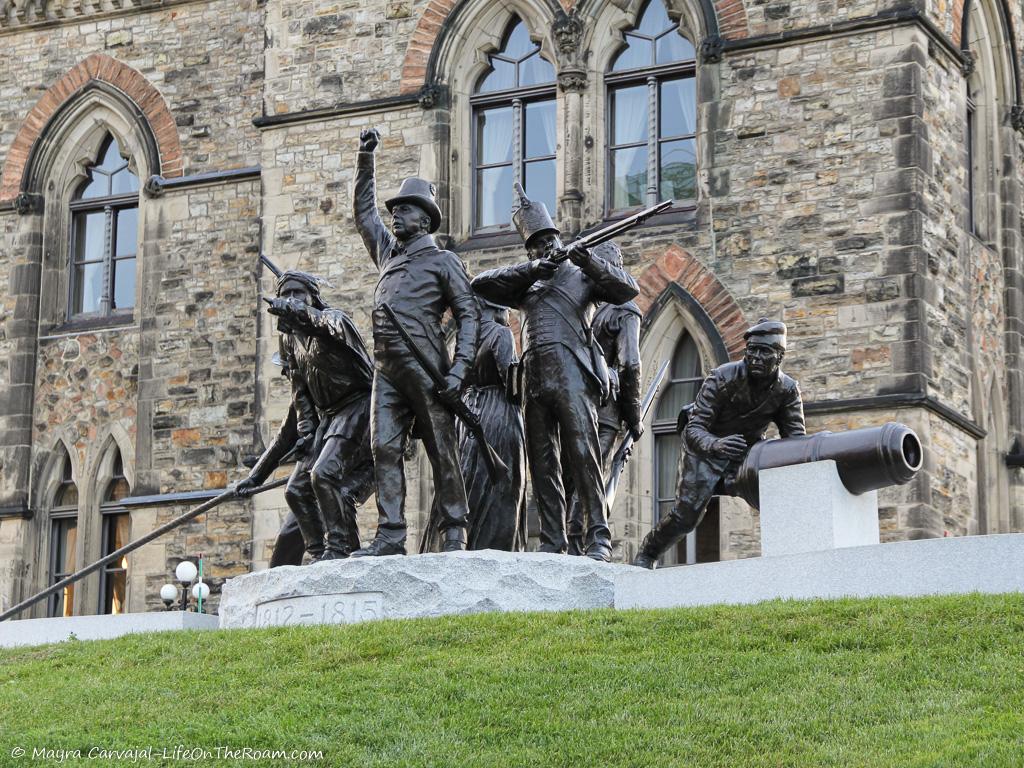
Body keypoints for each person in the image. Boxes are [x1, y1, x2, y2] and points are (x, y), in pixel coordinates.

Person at [471, 184, 638, 561]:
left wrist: (589, 261)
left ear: (557, 238)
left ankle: (597, 537)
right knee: (542, 464)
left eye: (546, 241)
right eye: (534, 246)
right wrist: (530, 269)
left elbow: (628, 290)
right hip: (534, 380)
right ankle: (551, 540)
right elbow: (479, 284)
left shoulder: (582, 274)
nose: (541, 249)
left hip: (573, 376)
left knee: (584, 454)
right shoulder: (527, 283)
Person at [352, 127, 480, 556]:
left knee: (443, 450)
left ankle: (455, 529)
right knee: (383, 448)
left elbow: (469, 316)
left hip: (427, 368)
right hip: (386, 371)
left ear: (423, 218)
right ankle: (390, 534)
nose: (395, 216)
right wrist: (365, 160)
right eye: (396, 211)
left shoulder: (444, 261)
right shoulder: (389, 254)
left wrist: (460, 370)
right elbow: (365, 215)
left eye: (404, 210)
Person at [632, 318, 806, 569]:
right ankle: (648, 553)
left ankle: (793, 560)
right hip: (705, 452)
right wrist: (716, 445)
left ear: (779, 357)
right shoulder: (722, 377)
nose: (756, 357)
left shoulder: (787, 390)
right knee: (686, 516)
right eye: (752, 350)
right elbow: (694, 428)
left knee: (778, 500)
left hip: (746, 455)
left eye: (764, 351)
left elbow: (795, 440)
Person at [236, 270, 375, 561]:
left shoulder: (334, 321)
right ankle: (317, 552)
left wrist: (296, 310)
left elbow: (328, 323)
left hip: (360, 408)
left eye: (298, 293)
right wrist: (257, 475)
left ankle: (339, 548)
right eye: (285, 294)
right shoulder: (290, 343)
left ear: (313, 297)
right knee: (296, 490)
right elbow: (298, 408)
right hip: (329, 418)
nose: (290, 299)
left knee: (324, 475)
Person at [565, 241, 643, 555]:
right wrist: (635, 416)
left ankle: (569, 542)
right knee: (591, 475)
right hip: (606, 409)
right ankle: (580, 543)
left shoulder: (587, 313)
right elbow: (631, 364)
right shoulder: (624, 309)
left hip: (578, 403)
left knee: (576, 473)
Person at [458, 297, 527, 551]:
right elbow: (512, 385)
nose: (508, 316)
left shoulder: (466, 338)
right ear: (497, 308)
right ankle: (500, 548)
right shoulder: (501, 334)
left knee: (473, 484)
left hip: (470, 417)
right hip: (500, 413)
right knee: (504, 488)